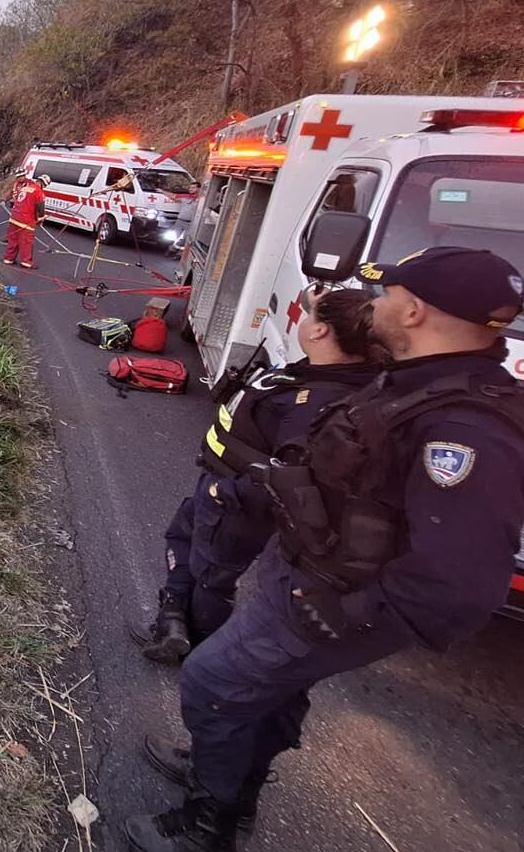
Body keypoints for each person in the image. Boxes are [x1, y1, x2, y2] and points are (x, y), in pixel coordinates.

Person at [127, 246, 524, 852]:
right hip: (311, 575)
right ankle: (232, 779)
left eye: (385, 295)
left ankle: (208, 827)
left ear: (414, 310)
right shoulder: (418, 380)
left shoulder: (464, 429)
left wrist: (348, 613)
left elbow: (461, 583)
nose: (376, 306)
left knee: (212, 683)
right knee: (268, 690)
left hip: (331, 598)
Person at [130, 287, 384, 664]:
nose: (305, 318)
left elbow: (297, 471)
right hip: (223, 488)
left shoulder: (319, 399)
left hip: (238, 501)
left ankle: (198, 650)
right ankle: (172, 620)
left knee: (212, 576)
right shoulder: (324, 377)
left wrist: (234, 493)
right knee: (182, 538)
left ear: (320, 332)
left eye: (311, 314)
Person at [2, 166, 49, 268]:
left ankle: (9, 259)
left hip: (14, 217)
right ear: (42, 183)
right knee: (26, 242)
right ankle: (26, 261)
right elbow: (40, 208)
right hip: (26, 221)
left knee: (13, 240)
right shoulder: (38, 192)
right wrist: (40, 218)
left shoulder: (25, 187)